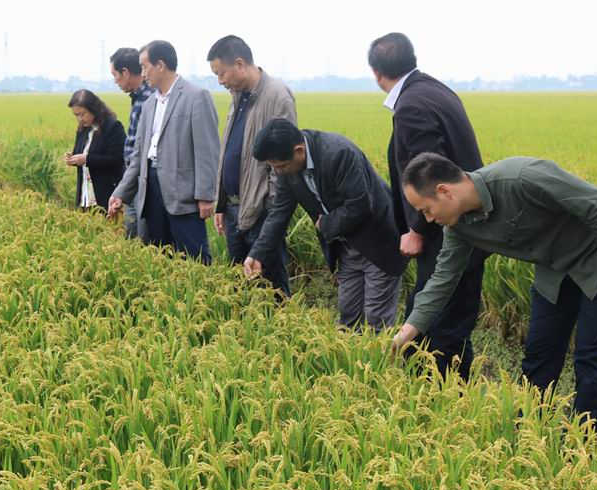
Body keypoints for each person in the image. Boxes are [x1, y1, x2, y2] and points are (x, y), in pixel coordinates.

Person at [393, 153, 597, 430]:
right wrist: (407, 333)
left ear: (444, 191)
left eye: (426, 209)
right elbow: (443, 279)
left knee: (591, 360)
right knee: (539, 355)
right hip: (553, 273)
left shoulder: (522, 177)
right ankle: (530, 433)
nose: (427, 219)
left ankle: (584, 440)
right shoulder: (458, 227)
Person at [368, 32, 487, 379]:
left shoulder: (411, 107)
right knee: (447, 322)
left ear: (376, 73)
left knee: (440, 329)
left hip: (444, 236)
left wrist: (417, 229)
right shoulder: (436, 90)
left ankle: (442, 399)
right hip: (464, 228)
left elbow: (429, 175)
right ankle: (449, 394)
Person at [244, 119, 408, 331]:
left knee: (377, 319)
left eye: (280, 165)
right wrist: (257, 254)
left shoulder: (339, 153)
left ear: (299, 151)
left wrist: (326, 224)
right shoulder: (288, 170)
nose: (278, 171)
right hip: (346, 247)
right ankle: (350, 353)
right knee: (348, 316)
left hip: (378, 241)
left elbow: (360, 204)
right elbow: (278, 214)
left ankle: (382, 353)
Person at [108, 40, 220, 264]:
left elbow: (207, 151)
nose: (142, 73)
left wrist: (206, 196)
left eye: (144, 66)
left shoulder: (196, 96)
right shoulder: (149, 104)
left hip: (183, 194)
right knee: (159, 258)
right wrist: (120, 193)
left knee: (194, 259)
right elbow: (139, 156)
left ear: (160, 65)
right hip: (150, 190)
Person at [207, 35, 296, 296]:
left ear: (239, 63)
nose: (220, 81)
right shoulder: (238, 97)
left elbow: (284, 161)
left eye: (221, 73)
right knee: (242, 285)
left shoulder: (277, 96)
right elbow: (230, 151)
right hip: (234, 208)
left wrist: (269, 208)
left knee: (270, 287)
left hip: (261, 212)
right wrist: (222, 203)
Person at [110, 47, 155, 238]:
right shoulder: (138, 96)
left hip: (143, 176)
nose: (115, 81)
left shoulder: (150, 97)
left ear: (126, 72)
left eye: (115, 75)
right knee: (131, 231)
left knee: (143, 234)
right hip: (132, 175)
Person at [65, 89, 126, 211]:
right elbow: (80, 153)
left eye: (82, 114)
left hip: (106, 194)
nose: (80, 119)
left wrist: (87, 159)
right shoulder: (83, 129)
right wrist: (72, 158)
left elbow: (118, 159)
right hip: (85, 195)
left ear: (94, 109)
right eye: (76, 115)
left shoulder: (112, 127)